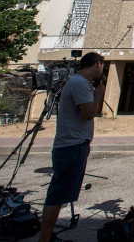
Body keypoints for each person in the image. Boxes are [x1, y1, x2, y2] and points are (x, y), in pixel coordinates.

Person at [39, 52, 106, 242]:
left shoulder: (77, 83)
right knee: (58, 195)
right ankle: (44, 238)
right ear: (97, 65)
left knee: (60, 194)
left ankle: (48, 235)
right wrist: (98, 96)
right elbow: (89, 113)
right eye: (102, 66)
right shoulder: (80, 84)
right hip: (72, 147)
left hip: (73, 145)